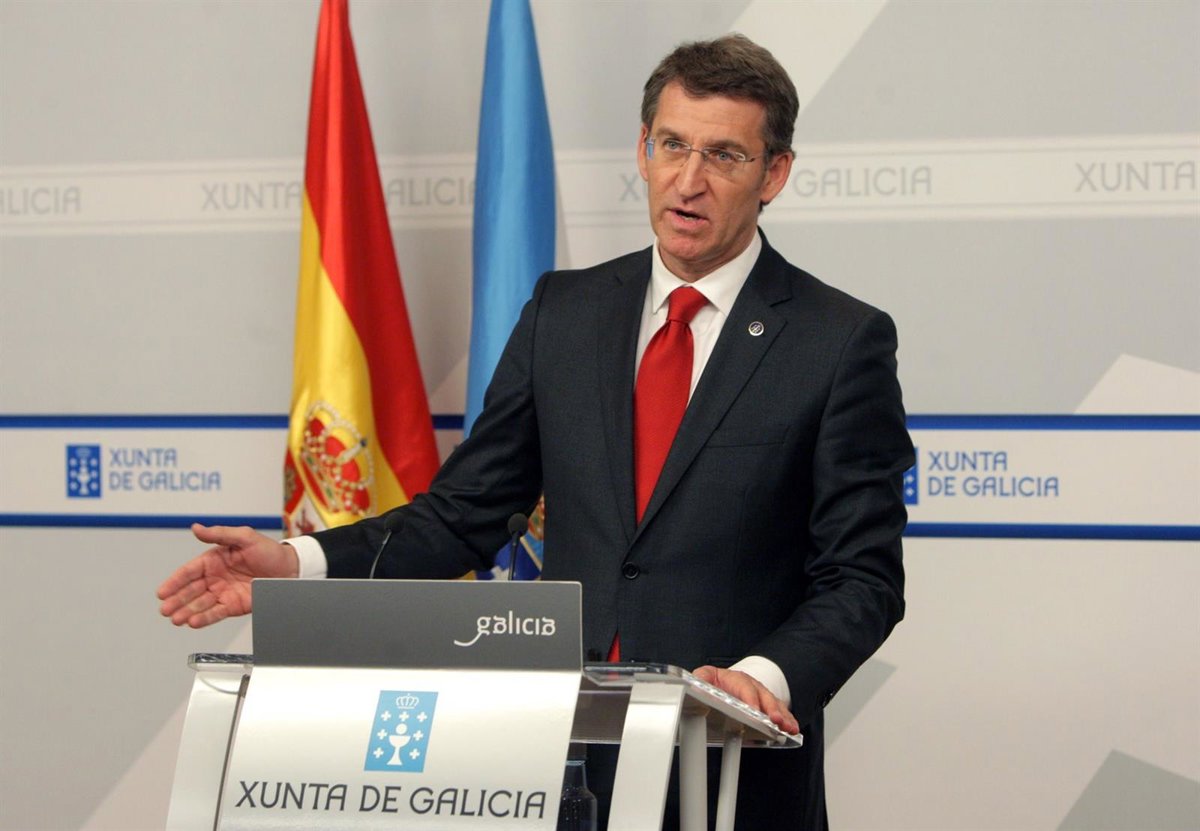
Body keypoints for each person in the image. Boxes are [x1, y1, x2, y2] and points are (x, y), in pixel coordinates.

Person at [158, 33, 913, 829]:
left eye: (724, 156)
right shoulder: (566, 313)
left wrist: (763, 677)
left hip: (731, 774)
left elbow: (862, 578)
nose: (688, 180)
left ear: (775, 173)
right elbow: (464, 513)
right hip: (559, 766)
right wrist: (296, 561)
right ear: (643, 149)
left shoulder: (837, 342)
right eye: (672, 145)